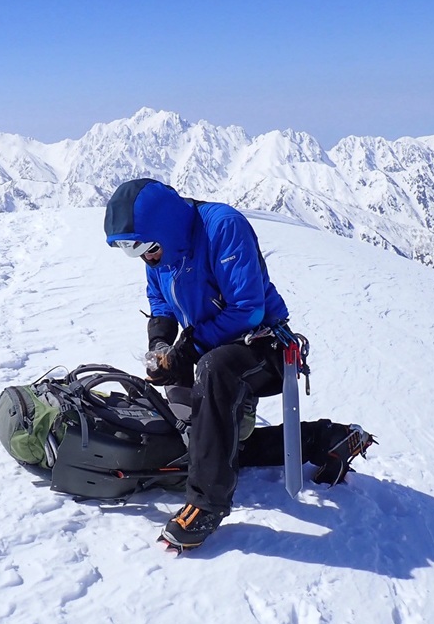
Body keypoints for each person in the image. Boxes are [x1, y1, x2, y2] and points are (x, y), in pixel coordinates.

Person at [104, 178, 375, 551]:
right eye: (135, 252)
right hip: (211, 345)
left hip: (265, 345)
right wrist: (161, 345)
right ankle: (322, 439)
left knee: (215, 372)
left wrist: (189, 348)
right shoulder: (161, 248)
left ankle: (207, 504)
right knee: (207, 440)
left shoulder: (223, 227)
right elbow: (159, 298)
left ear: (165, 228)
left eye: (148, 249)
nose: (147, 259)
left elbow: (248, 309)